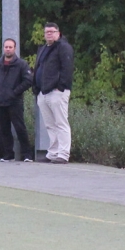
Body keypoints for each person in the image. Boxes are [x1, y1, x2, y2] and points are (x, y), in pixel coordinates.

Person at [33, 22, 74, 163]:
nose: (49, 34)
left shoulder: (64, 47)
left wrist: (61, 87)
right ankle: (53, 152)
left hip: (57, 91)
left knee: (61, 123)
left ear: (58, 33)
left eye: (52, 31)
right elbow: (38, 68)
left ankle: (63, 154)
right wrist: (36, 89)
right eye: (47, 32)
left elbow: (67, 68)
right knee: (50, 125)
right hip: (43, 92)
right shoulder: (43, 48)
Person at [0, 38, 34, 162]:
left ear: (15, 48)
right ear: (3, 48)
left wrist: (15, 92)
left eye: (10, 47)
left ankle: (27, 155)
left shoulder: (22, 64)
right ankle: (8, 154)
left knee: (20, 128)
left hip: (15, 102)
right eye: (6, 47)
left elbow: (28, 80)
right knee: (4, 129)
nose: (8, 49)